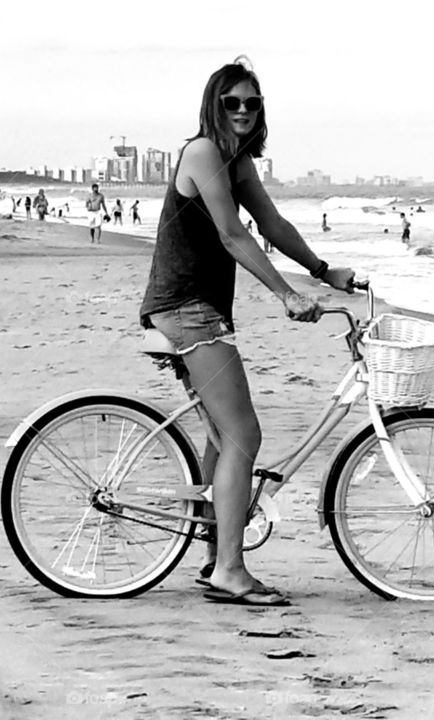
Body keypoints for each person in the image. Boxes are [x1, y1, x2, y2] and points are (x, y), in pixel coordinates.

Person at [139, 58, 354, 607]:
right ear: (214, 105)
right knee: (242, 436)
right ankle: (230, 571)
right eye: (231, 102)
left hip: (199, 308)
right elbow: (234, 236)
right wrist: (285, 296)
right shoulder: (203, 152)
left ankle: (216, 556)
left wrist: (321, 270)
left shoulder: (235, 161)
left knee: (221, 435)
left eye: (251, 103)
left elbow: (273, 224)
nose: (241, 111)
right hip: (188, 309)